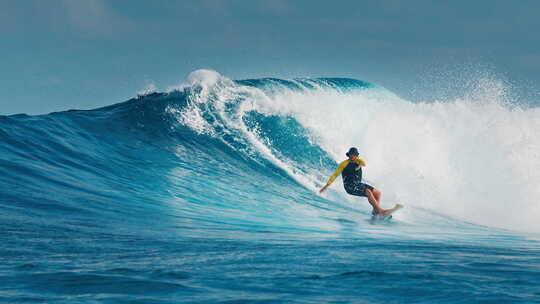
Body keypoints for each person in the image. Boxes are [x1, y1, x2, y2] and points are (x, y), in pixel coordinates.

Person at [319, 147, 392, 216]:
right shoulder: (344, 164)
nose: (353, 156)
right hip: (350, 187)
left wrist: (359, 163)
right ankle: (380, 211)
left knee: (378, 193)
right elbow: (334, 175)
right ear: (349, 155)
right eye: (351, 154)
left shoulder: (358, 161)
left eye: (355, 155)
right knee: (368, 192)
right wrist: (325, 187)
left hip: (358, 184)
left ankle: (375, 211)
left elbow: (364, 163)